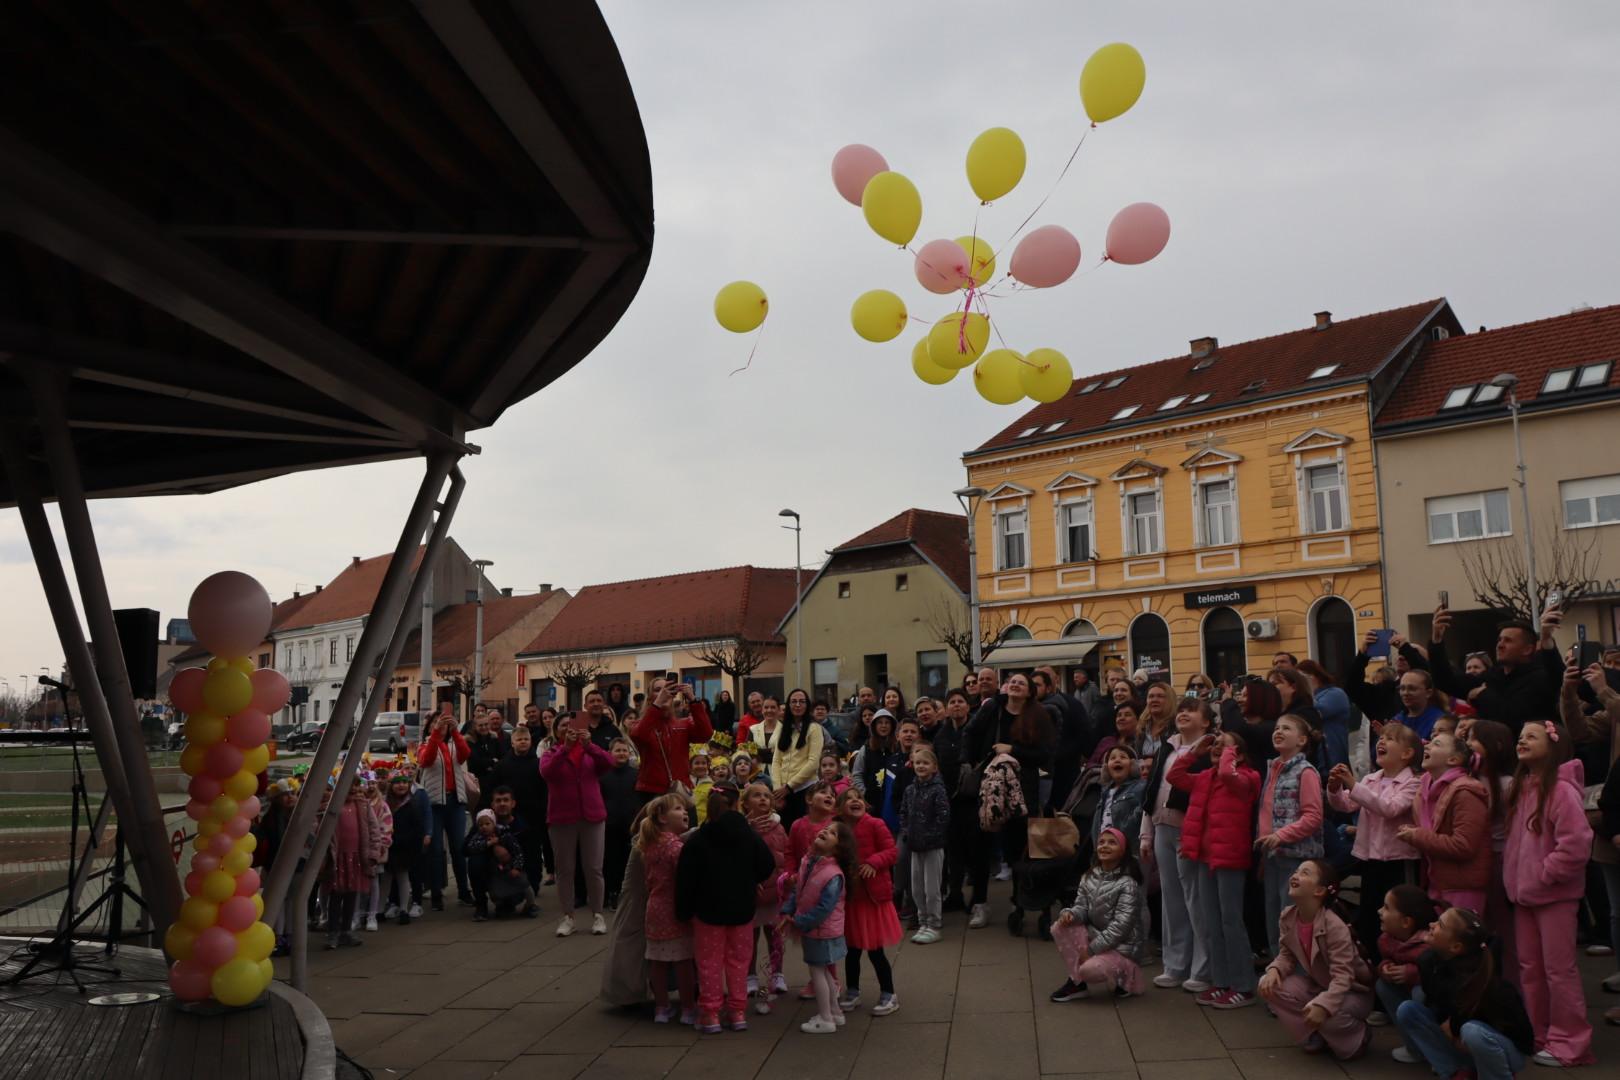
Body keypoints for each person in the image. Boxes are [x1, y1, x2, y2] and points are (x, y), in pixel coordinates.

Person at [1502, 718, 1595, 1066]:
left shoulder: (1561, 790)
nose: (1522, 740)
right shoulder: (1522, 788)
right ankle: (1539, 1033)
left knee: (1559, 970)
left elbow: (1576, 843)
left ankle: (1571, 1042)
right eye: (1521, 736)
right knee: (1530, 968)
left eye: (1532, 736)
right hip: (1525, 896)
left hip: (1554, 896)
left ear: (1554, 745)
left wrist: (1545, 874)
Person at [675, 783, 777, 1034]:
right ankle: (737, 1011)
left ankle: (710, 1013)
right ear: (737, 805)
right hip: (742, 909)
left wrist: (684, 910)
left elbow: (685, 878)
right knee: (739, 961)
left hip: (707, 910)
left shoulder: (699, 839)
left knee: (708, 962)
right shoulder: (748, 835)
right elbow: (767, 864)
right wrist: (750, 879)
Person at [1172, 727, 1261, 1008]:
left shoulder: (1247, 778)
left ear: (1239, 755)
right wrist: (1194, 753)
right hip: (1204, 858)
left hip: (1230, 858)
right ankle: (1221, 981)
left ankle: (1243, 986)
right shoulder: (1204, 778)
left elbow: (1228, 774)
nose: (1216, 747)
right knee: (1212, 922)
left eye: (1224, 745)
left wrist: (1228, 753)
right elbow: (1174, 776)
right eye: (1215, 744)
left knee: (1231, 922)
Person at [1394, 905, 1535, 1080]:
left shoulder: (1478, 977)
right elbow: (1438, 1001)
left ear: (1455, 947)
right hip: (1462, 1040)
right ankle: (1457, 1072)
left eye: (1440, 925)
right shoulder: (1428, 961)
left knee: (1472, 1031)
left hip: (1505, 1049)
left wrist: (1455, 1025)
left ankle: (1497, 1074)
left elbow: (1522, 1038)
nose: (1431, 924)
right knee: (1409, 1009)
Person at [965, 672, 1057, 929]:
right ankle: (980, 902)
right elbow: (971, 734)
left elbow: (1044, 755)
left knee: (1017, 849)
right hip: (990, 787)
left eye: (1021, 683)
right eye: (1012, 681)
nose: (1015, 685)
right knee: (981, 845)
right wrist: (972, 762)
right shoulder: (993, 708)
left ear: (1030, 692)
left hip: (1023, 789)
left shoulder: (1038, 716)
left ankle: (1018, 901)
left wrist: (1013, 750)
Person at [1258, 859, 1374, 1061]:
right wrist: (1274, 970)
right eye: (1296, 871)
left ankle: (1359, 1035)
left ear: (1319, 891)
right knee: (1269, 985)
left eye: (1305, 873)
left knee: (1329, 1017)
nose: (1295, 876)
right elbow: (1286, 955)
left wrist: (1324, 1005)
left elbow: (1343, 977)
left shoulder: (1334, 926)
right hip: (1321, 985)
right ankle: (1316, 1033)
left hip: (1352, 993)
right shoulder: (1288, 916)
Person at [1326, 722, 1421, 954]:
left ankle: (1397, 960)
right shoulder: (1371, 779)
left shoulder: (1413, 782)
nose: (1382, 741)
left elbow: (1389, 808)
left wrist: (1353, 785)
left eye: (1390, 739)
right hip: (1371, 859)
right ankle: (1371, 964)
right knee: (1370, 914)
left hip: (1398, 861)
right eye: (1381, 737)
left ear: (1407, 753)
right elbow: (1345, 805)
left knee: (1398, 915)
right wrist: (1335, 788)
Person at [1396, 731, 1492, 914]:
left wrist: (1417, 836)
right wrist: (1412, 832)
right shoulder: (1424, 790)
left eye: (1437, 744)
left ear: (1453, 760)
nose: (1427, 745)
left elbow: (1463, 845)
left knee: (1458, 932)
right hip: (1435, 882)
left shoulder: (1466, 792)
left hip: (1462, 886)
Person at [1048, 827, 1147, 1002]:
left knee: (1089, 970)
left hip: (1123, 947)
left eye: (1112, 842)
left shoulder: (1128, 884)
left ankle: (1126, 974)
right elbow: (1081, 907)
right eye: (1101, 842)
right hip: (1097, 937)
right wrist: (1070, 914)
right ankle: (1077, 984)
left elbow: (1121, 927)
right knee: (1060, 927)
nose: (1105, 846)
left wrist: (1091, 950)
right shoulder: (1089, 876)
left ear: (1123, 851)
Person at [1429, 604, 1564, 731]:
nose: (1500, 645)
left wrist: (1482, 695)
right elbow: (1446, 681)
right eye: (1499, 640)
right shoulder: (1492, 676)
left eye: (1508, 640)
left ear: (1527, 649)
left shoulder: (1540, 679)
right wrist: (1437, 640)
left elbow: (1512, 718)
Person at [540, 712, 615, 937]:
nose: (568, 728)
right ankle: (568, 917)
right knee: (565, 869)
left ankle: (598, 915)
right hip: (562, 817)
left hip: (592, 815)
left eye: (571, 724)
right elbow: (547, 772)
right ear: (556, 731)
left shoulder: (590, 751)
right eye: (563, 725)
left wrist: (590, 745)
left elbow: (609, 763)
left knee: (593, 868)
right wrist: (565, 749)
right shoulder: (551, 752)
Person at [1256, 714, 1324, 955]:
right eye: (1277, 727)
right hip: (1272, 856)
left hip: (1297, 858)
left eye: (1286, 728)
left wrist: (1281, 836)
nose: (1278, 731)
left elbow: (1313, 816)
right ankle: (1279, 971)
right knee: (1275, 921)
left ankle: (1298, 974)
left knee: (1292, 922)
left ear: (1302, 740)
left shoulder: (1306, 772)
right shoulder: (1273, 769)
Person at [780, 818, 855, 1035]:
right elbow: (798, 890)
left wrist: (800, 921)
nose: (825, 831)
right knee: (823, 971)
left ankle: (825, 1018)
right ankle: (835, 1012)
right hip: (816, 928)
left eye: (832, 833)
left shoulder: (832, 874)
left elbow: (824, 908)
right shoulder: (810, 861)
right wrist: (788, 910)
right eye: (825, 829)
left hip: (821, 930)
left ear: (839, 847)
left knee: (817, 972)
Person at [835, 788, 902, 1015]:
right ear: (839, 809)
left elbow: (891, 851)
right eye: (848, 799)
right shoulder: (838, 829)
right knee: (852, 950)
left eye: (859, 798)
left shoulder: (875, 824)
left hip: (873, 900)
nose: (855, 801)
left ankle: (889, 993)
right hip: (851, 899)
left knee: (875, 949)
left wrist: (874, 862)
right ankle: (853, 991)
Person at [637, 793, 696, 1025]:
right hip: (674, 909)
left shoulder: (648, 846)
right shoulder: (676, 848)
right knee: (683, 962)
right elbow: (685, 878)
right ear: (662, 818)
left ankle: (661, 1007)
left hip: (654, 909)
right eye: (678, 809)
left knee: (658, 961)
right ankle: (688, 1008)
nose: (685, 812)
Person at [417, 704, 474, 911]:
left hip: (455, 802)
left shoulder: (454, 744)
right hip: (433, 804)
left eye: (443, 722)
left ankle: (463, 891)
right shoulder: (424, 745)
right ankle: (436, 894)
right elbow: (426, 760)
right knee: (435, 851)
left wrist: (456, 730)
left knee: (459, 848)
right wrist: (435, 734)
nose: (440, 725)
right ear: (429, 726)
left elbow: (465, 754)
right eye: (435, 722)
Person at [741, 781, 789, 1011]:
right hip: (752, 891)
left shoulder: (778, 826)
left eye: (767, 796)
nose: (763, 799)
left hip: (775, 890)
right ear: (745, 803)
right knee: (749, 936)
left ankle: (777, 974)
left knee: (775, 934)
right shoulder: (743, 827)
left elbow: (785, 853)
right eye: (757, 795)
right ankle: (750, 976)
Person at [631, 681, 714, 803]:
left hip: (680, 790)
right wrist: (658, 703)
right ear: (649, 698)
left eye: (668, 689)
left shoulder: (683, 724)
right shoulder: (638, 725)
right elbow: (639, 735)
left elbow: (705, 734)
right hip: (651, 792)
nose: (664, 692)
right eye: (658, 690)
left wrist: (693, 701)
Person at [1369, 883, 1435, 1030]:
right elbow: (1387, 958)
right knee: (1382, 985)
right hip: (1405, 990)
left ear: (1406, 922)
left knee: (1420, 992)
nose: (1379, 911)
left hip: (1429, 998)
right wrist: (1385, 967)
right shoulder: (1386, 939)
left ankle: (1427, 1038)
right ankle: (1410, 1039)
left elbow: (1437, 971)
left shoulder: (1428, 943)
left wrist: (1411, 973)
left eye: (1386, 908)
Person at [900, 746, 949, 944]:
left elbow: (943, 817)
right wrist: (907, 832)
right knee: (917, 888)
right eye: (918, 762)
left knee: (932, 889)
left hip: (932, 846)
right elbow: (903, 813)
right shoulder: (910, 790)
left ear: (934, 767)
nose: (921, 766)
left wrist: (929, 837)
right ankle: (923, 922)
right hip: (914, 846)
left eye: (925, 763)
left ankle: (934, 924)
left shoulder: (938, 790)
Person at [321, 779, 376, 949]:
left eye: (356, 785)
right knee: (336, 895)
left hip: (357, 858)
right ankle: (333, 932)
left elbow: (374, 828)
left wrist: (374, 852)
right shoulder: (331, 807)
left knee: (352, 895)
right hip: (337, 858)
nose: (353, 789)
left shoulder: (364, 806)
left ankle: (346, 930)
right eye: (349, 785)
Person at [492, 724, 547, 895]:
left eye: (526, 739)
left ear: (531, 741)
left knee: (533, 853)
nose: (523, 742)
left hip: (534, 816)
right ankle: (512, 887)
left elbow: (544, 790)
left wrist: (542, 810)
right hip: (510, 817)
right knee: (512, 852)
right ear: (512, 742)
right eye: (519, 739)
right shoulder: (502, 765)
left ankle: (533, 886)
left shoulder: (539, 764)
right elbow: (495, 789)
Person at [1035, 665, 1087, 812]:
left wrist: (1064, 754)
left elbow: (1082, 734)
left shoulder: (1071, 704)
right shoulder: (1028, 707)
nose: (1043, 680)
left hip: (1064, 772)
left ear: (1056, 679)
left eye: (1046, 676)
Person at [773, 689, 826, 826]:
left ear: (807, 705)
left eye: (802, 702)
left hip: (805, 790)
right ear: (788, 705)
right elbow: (777, 761)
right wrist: (777, 790)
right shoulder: (783, 728)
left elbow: (813, 763)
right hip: (782, 793)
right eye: (794, 701)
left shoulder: (814, 728)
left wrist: (789, 787)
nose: (797, 705)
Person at [380, 771, 426, 926]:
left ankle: (404, 909)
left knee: (403, 877)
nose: (401, 785)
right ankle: (380, 909)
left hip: (404, 847)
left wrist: (409, 842)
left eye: (404, 782)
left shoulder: (412, 804)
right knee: (386, 878)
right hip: (388, 846)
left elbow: (417, 828)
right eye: (397, 782)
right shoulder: (385, 804)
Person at [600, 738, 641, 910]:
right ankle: (611, 892)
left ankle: (628, 894)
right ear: (610, 753)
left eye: (625, 750)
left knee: (628, 861)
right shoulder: (603, 775)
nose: (622, 753)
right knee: (610, 861)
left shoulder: (636, 775)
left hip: (630, 826)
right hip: (609, 826)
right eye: (618, 750)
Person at [1296, 660, 1350, 772]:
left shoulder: (1335, 693)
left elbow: (1315, 713)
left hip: (1331, 757)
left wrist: (1308, 690)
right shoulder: (1308, 697)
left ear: (1315, 676)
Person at [1091, 745, 1147, 852]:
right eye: (1112, 758)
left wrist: (1122, 834)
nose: (1117, 760)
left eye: (1123, 757)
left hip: (1129, 851)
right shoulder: (1104, 792)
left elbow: (1141, 814)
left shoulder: (1141, 787)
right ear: (1106, 767)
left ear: (1132, 764)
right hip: (1104, 850)